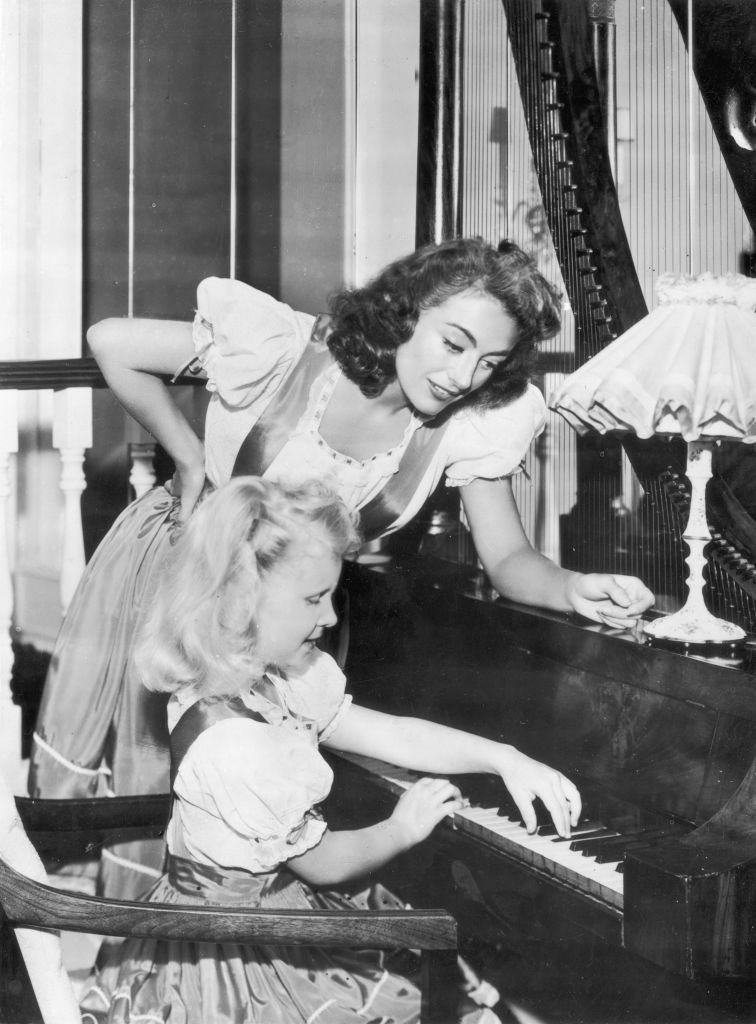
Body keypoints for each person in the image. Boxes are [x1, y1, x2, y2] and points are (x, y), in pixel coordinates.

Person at [29, 237, 652, 899]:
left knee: (251, 812)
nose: (464, 376)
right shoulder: (285, 353)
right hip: (183, 575)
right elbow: (111, 340)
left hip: (291, 615)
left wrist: (573, 588)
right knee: (149, 780)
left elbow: (507, 559)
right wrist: (186, 459)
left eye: (489, 361)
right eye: (454, 342)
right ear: (406, 312)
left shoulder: (467, 424)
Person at [78, 475, 581, 1024]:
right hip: (237, 950)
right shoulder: (235, 744)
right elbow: (321, 864)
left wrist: (503, 757)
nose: (331, 618)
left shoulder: (270, 676)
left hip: (274, 910)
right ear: (238, 599)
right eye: (314, 599)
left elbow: (392, 734)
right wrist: (401, 828)